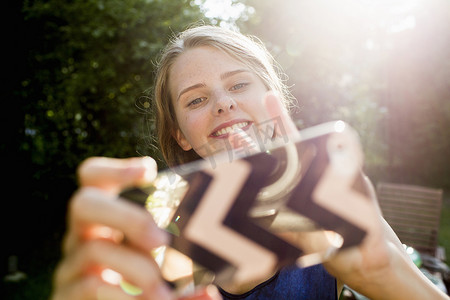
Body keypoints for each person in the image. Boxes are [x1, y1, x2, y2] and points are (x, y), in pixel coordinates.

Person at [51, 25, 449, 300]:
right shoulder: (153, 238)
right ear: (180, 135)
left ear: (271, 96)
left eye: (239, 84)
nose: (223, 103)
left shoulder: (330, 196)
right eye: (196, 99)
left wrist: (382, 276)